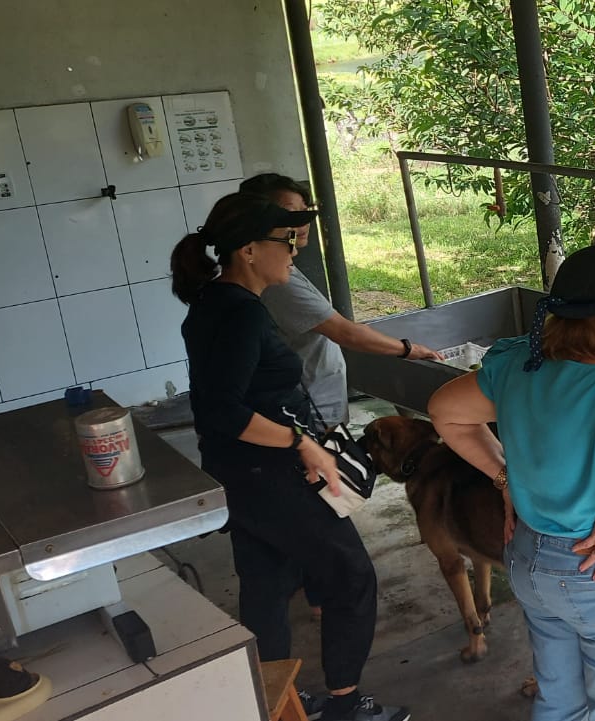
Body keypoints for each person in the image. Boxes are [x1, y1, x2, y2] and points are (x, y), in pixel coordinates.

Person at [171, 192, 409, 721]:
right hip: (272, 474)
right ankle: (345, 707)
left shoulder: (213, 302)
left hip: (239, 474)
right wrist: (301, 443)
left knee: (267, 582)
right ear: (249, 250)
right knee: (351, 577)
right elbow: (223, 411)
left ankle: (277, 701)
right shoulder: (240, 316)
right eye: (287, 241)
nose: (295, 251)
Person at [428, 244, 595, 721]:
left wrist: (504, 477)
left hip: (532, 560)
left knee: (558, 701)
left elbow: (445, 411)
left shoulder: (517, 366)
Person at [242, 173, 442, 432]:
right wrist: (408, 349)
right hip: (308, 409)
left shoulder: (277, 269)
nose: (303, 223)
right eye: (291, 214)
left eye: (306, 211)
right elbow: (344, 332)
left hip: (310, 403)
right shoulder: (279, 281)